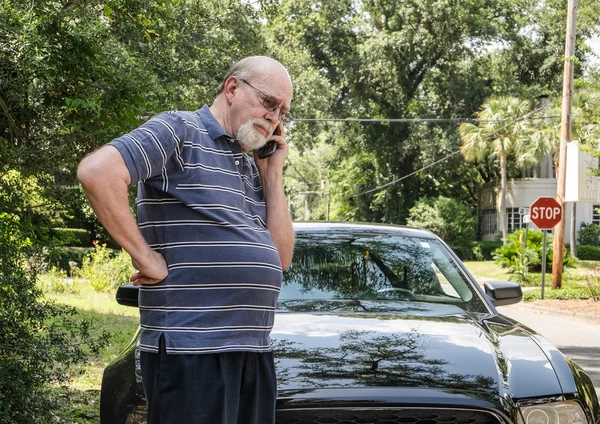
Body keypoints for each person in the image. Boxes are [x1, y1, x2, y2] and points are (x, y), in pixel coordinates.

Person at [77, 56, 295, 424]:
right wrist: (145, 257)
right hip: (191, 347)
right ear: (232, 88)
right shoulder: (179, 129)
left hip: (252, 349)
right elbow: (97, 172)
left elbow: (282, 257)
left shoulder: (249, 163)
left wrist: (273, 172)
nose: (274, 117)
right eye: (269, 103)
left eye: (283, 112)